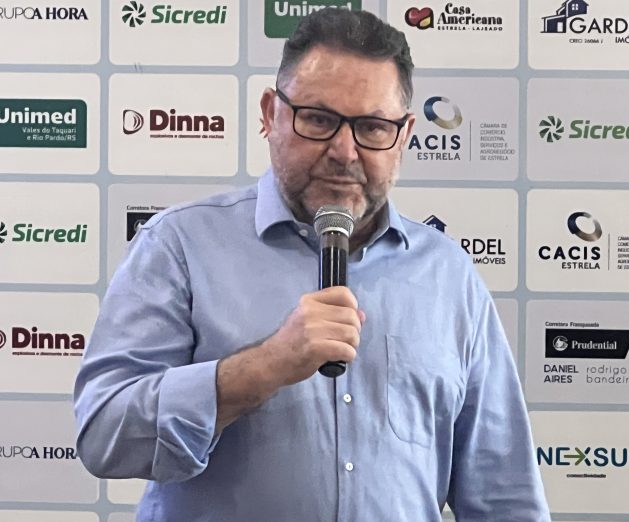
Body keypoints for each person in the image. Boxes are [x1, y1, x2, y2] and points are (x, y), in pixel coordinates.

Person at [74, 8, 550, 521]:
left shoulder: (447, 274)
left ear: (405, 135)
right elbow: (104, 435)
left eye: (372, 127)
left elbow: (504, 494)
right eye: (319, 119)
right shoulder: (180, 246)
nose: (344, 151)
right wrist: (265, 366)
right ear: (270, 114)